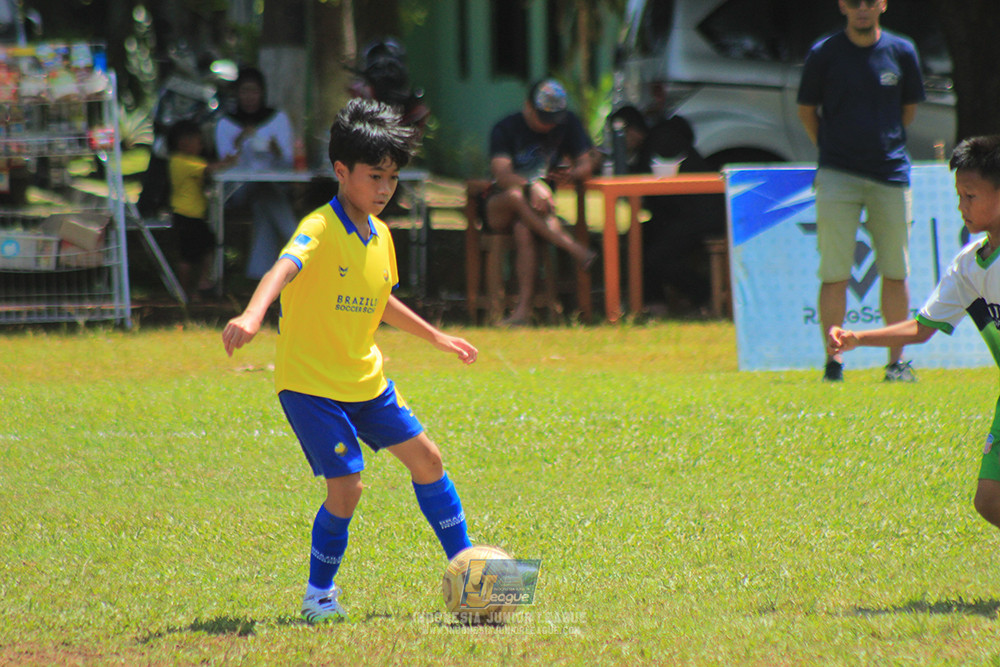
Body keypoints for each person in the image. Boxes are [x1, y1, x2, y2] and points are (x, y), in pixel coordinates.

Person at [221, 98, 478, 624]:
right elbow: (282, 269)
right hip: (310, 384)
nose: (385, 189)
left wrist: (436, 337)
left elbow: (381, 301)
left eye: (393, 178)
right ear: (342, 172)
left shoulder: (382, 235)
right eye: (374, 176)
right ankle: (319, 596)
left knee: (429, 461)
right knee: (348, 486)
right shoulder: (319, 226)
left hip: (366, 380)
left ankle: (471, 574)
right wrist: (252, 315)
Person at [828, 135, 1000, 530]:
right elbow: (922, 329)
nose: (962, 207)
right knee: (989, 501)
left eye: (971, 196)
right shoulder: (968, 265)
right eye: (959, 196)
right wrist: (859, 338)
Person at [797, 0, 926, 382]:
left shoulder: (902, 51)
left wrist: (885, 146)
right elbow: (807, 111)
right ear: (842, 6)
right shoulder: (824, 53)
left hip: (890, 173)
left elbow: (908, 109)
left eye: (870, 2)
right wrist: (834, 151)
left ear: (882, 4)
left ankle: (896, 362)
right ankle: (834, 362)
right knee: (835, 272)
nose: (863, 10)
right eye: (854, 3)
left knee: (895, 271)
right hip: (837, 175)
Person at [484, 78, 596, 325]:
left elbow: (586, 163)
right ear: (528, 107)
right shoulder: (505, 128)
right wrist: (531, 184)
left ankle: (522, 312)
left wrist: (571, 174)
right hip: (499, 206)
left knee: (524, 229)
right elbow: (502, 175)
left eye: (553, 120)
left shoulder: (567, 124)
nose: (548, 126)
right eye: (542, 119)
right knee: (515, 196)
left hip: (536, 213)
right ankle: (574, 248)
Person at [605, 105, 726, 314]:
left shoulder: (662, 143)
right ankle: (653, 302)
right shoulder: (657, 143)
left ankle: (704, 294)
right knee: (639, 236)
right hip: (683, 215)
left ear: (632, 132)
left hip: (704, 216)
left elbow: (660, 193)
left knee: (657, 255)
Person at [214, 67, 299, 280]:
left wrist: (277, 151)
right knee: (264, 191)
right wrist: (239, 142)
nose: (249, 97)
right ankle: (300, 244)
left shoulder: (277, 118)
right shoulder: (226, 123)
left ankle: (258, 273)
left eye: (254, 91)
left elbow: (288, 163)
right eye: (244, 91)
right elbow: (224, 165)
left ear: (262, 93)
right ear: (237, 94)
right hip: (236, 190)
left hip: (273, 185)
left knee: (264, 199)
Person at [167, 119, 235, 300]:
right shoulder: (179, 161)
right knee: (187, 257)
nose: (201, 145)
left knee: (207, 246)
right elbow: (209, 169)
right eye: (198, 141)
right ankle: (184, 292)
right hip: (186, 215)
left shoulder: (190, 160)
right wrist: (228, 162)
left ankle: (201, 283)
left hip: (195, 216)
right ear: (184, 143)